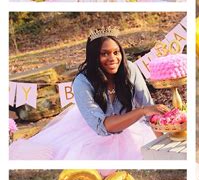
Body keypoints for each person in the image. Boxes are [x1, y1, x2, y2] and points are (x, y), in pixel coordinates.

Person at [9, 27, 166, 160]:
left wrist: (162, 144)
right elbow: (102, 127)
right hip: (92, 135)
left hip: (129, 129)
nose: (112, 58)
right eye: (104, 54)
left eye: (116, 52)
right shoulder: (82, 82)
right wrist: (141, 111)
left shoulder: (129, 69)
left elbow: (149, 110)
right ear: (94, 57)